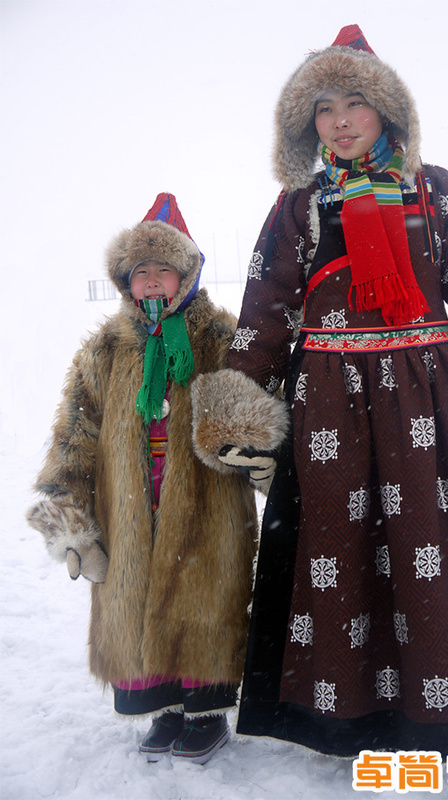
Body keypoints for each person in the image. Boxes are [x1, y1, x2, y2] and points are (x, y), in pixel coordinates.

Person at [191, 26, 448, 758]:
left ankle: (443, 715)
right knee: (343, 558)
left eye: (355, 101)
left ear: (388, 111)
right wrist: (240, 405)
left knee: (438, 557)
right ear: (308, 123)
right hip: (330, 408)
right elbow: (266, 304)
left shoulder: (439, 192)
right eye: (324, 106)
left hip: (431, 407)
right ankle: (352, 719)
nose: (340, 119)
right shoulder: (300, 205)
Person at [27, 194, 258, 764]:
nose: (153, 283)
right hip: (128, 498)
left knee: (202, 591)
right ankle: (164, 707)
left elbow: (255, 410)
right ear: (126, 283)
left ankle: (204, 711)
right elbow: (75, 432)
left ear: (188, 274)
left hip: (207, 497)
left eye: (164, 271)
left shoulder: (220, 337)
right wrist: (69, 520)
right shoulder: (106, 349)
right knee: (137, 593)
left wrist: (262, 460)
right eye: (141, 273)